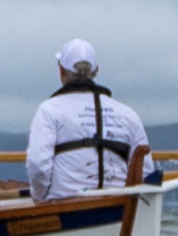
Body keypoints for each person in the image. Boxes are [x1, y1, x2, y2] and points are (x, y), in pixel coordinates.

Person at [27, 39, 156, 201]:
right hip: (119, 207)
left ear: (61, 71)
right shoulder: (128, 114)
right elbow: (145, 172)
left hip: (64, 208)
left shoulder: (49, 110)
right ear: (96, 71)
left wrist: (38, 198)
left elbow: (39, 167)